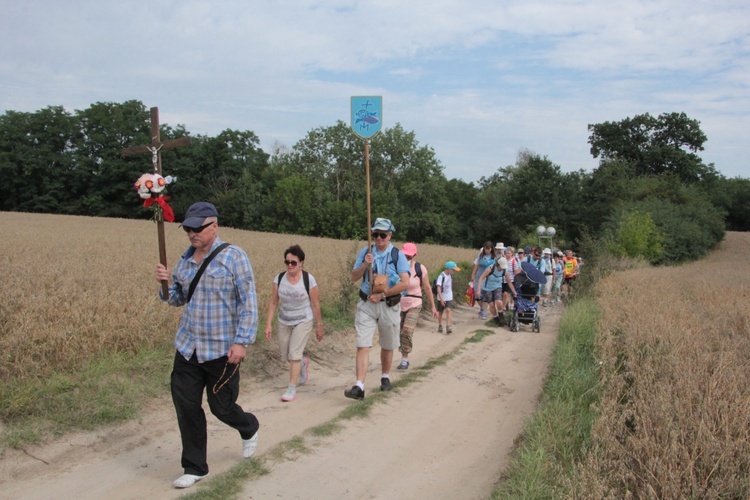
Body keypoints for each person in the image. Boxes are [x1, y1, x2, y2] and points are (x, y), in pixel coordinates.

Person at [155, 201, 260, 489]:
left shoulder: (234, 257)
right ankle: (195, 466)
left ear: (214, 226)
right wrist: (165, 286)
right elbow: (177, 299)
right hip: (189, 346)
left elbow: (248, 302)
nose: (192, 233)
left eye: (197, 228)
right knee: (186, 405)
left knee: (222, 407)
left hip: (222, 351)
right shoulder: (185, 261)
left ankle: (248, 426)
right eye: (188, 228)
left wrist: (241, 342)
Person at [345, 218, 410, 400]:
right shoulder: (366, 252)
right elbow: (353, 276)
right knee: (362, 344)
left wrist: (383, 295)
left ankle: (385, 376)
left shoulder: (398, 255)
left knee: (387, 344)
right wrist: (365, 264)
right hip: (366, 304)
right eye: (376, 234)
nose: (379, 238)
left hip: (388, 305)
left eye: (383, 235)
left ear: (389, 236)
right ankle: (359, 386)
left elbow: (405, 283)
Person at [264, 245, 324, 402]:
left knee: (294, 353)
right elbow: (273, 302)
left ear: (301, 263)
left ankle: (291, 388)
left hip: (303, 319)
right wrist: (268, 324)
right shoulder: (279, 278)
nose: (290, 265)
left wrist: (319, 325)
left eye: (293, 262)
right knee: (285, 355)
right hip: (284, 319)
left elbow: (315, 303)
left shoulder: (308, 280)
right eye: (287, 262)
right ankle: (303, 364)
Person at [397, 242, 438, 370]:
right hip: (398, 303)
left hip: (415, 303)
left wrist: (433, 306)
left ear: (414, 255)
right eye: (405, 256)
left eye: (409, 256)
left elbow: (427, 288)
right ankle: (402, 351)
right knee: (400, 331)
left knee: (407, 330)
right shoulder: (395, 267)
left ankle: (405, 358)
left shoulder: (420, 269)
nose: (407, 259)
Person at [476, 256, 513, 326]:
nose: (503, 268)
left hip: (497, 286)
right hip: (487, 288)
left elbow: (509, 281)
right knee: (491, 305)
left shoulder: (505, 270)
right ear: (498, 264)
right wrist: (478, 290)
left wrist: (514, 291)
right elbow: (481, 278)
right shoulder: (490, 268)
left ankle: (501, 315)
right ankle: (496, 318)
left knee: (499, 302)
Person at [470, 242, 496, 320]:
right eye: (486, 248)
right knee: (477, 295)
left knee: (485, 295)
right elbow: (477, 265)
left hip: (487, 278)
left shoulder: (493, 257)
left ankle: (484, 312)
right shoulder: (481, 256)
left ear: (491, 249)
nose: (487, 250)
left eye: (489, 248)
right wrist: (473, 275)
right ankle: (482, 308)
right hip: (478, 276)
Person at [436, 260, 461, 334]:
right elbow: (438, 287)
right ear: (449, 269)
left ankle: (448, 326)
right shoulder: (441, 276)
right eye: (453, 270)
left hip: (449, 296)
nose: (454, 271)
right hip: (441, 296)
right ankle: (440, 325)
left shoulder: (451, 275)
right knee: (440, 312)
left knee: (448, 310)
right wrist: (441, 298)